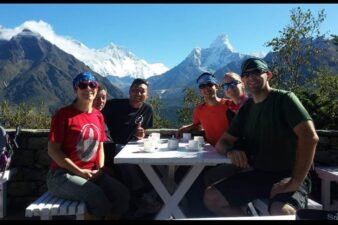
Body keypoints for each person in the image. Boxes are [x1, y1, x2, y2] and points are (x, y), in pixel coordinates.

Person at [204, 57, 319, 217]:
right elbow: (223, 142)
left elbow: (309, 137)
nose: (251, 77)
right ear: (243, 80)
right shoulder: (247, 108)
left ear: (268, 75)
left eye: (257, 72)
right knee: (212, 198)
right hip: (259, 174)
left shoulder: (284, 99)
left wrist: (295, 182)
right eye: (247, 74)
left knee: (280, 211)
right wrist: (231, 151)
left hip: (289, 174)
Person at [46, 71, 129, 220]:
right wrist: (79, 171)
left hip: (90, 173)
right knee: (97, 197)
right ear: (75, 90)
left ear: (96, 88)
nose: (88, 88)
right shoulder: (64, 115)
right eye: (82, 85)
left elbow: (100, 146)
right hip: (61, 175)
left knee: (122, 195)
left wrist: (100, 168)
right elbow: (53, 150)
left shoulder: (98, 115)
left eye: (92, 85)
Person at [102, 78, 159, 218]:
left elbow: (144, 131)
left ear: (147, 95)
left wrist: (142, 134)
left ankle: (155, 195)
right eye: (135, 90)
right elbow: (97, 117)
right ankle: (140, 194)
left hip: (133, 148)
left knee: (156, 164)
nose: (138, 94)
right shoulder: (113, 105)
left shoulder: (147, 110)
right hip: (112, 148)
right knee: (124, 155)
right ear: (129, 91)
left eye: (142, 91)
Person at [175, 72, 231, 147]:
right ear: (200, 91)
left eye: (210, 84)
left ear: (217, 86)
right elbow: (197, 125)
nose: (206, 88)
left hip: (230, 150)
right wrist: (185, 128)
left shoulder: (229, 105)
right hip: (210, 151)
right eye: (202, 86)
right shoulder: (199, 109)